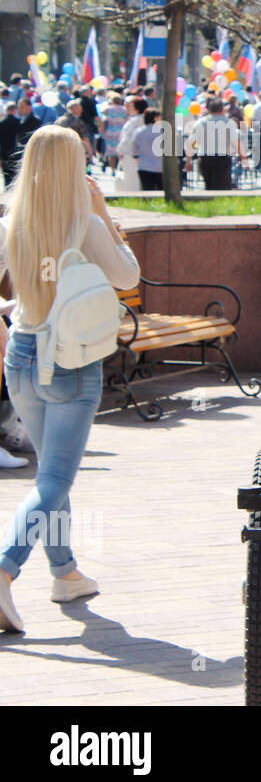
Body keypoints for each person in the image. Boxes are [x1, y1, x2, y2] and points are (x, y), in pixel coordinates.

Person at [0, 127, 141, 632]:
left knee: (50, 477)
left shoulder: (11, 221)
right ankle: (5, 567)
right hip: (69, 363)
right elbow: (128, 277)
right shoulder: (82, 223)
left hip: (20, 355)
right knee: (55, 478)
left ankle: (65, 573)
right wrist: (102, 212)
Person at [186, 96, 245, 190]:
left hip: (205, 158)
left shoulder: (200, 122)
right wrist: (244, 158)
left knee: (209, 185)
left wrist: (188, 160)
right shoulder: (229, 123)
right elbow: (236, 142)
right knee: (222, 186)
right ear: (222, 108)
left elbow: (191, 143)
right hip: (223, 158)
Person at [0, 97, 42, 187]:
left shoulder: (34, 121)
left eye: (22, 107)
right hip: (20, 156)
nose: (20, 109)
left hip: (30, 155)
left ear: (29, 107)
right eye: (19, 107)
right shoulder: (21, 121)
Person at [116, 96, 146, 191]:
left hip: (131, 154)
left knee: (131, 180)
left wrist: (121, 151)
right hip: (136, 154)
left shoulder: (136, 121)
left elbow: (128, 138)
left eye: (129, 106)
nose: (126, 108)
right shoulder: (137, 119)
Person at [133, 108, 165, 191]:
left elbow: (134, 149)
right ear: (155, 118)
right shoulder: (162, 132)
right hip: (160, 167)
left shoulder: (138, 131)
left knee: (147, 191)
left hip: (143, 166)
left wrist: (137, 158)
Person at [55, 99, 95, 165]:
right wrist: (90, 152)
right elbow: (85, 138)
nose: (81, 111)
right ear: (74, 109)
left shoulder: (59, 120)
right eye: (80, 108)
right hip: (73, 150)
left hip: (58, 149)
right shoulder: (77, 121)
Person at [101, 92, 128, 173]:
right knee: (120, 151)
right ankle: (119, 168)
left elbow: (103, 117)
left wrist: (102, 130)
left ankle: (113, 170)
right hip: (121, 132)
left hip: (110, 132)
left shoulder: (108, 109)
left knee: (111, 152)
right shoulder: (125, 110)